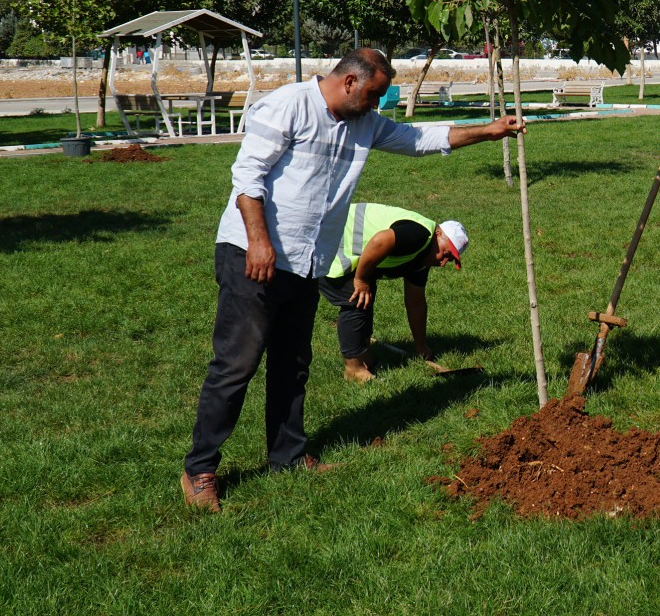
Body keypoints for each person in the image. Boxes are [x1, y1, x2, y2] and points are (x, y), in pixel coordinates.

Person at [181, 49, 523, 512]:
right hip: (253, 254)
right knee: (236, 365)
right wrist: (259, 242)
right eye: (375, 94)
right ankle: (200, 469)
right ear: (348, 82)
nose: (377, 105)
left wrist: (489, 130)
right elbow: (247, 178)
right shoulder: (289, 105)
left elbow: (419, 138)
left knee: (292, 363)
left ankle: (287, 456)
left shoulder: (365, 122)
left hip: (308, 260)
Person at [319, 204, 468, 383]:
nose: (443, 262)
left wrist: (420, 346)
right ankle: (353, 368)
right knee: (355, 297)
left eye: (450, 260)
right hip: (329, 236)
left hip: (341, 239)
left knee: (366, 294)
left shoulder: (422, 259)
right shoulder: (419, 235)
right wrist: (360, 279)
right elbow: (379, 241)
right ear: (438, 235)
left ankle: (364, 355)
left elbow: (416, 302)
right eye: (445, 253)